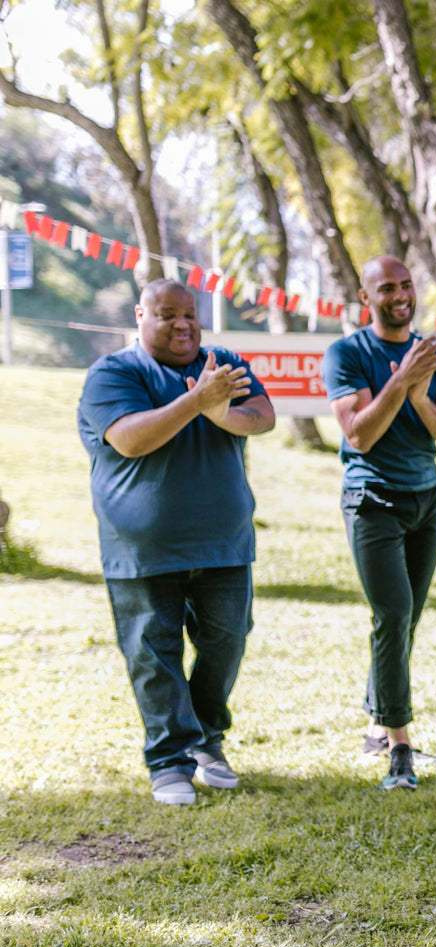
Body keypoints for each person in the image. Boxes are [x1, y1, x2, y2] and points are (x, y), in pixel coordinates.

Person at [78, 279, 276, 805]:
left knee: (227, 640)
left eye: (190, 314)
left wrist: (219, 410)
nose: (184, 325)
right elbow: (129, 437)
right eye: (168, 315)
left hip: (224, 543)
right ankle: (169, 761)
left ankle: (207, 740)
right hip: (143, 550)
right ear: (141, 314)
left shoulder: (222, 360)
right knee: (153, 653)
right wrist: (197, 401)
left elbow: (262, 417)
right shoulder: (114, 373)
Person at [322, 256, 436, 792]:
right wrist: (400, 382)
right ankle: (399, 747)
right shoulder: (347, 354)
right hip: (371, 499)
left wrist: (421, 396)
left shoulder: (435, 356)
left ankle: (377, 720)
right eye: (388, 288)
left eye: (407, 285)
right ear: (366, 296)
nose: (401, 295)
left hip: (425, 500)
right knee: (393, 612)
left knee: (405, 621)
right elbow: (359, 434)